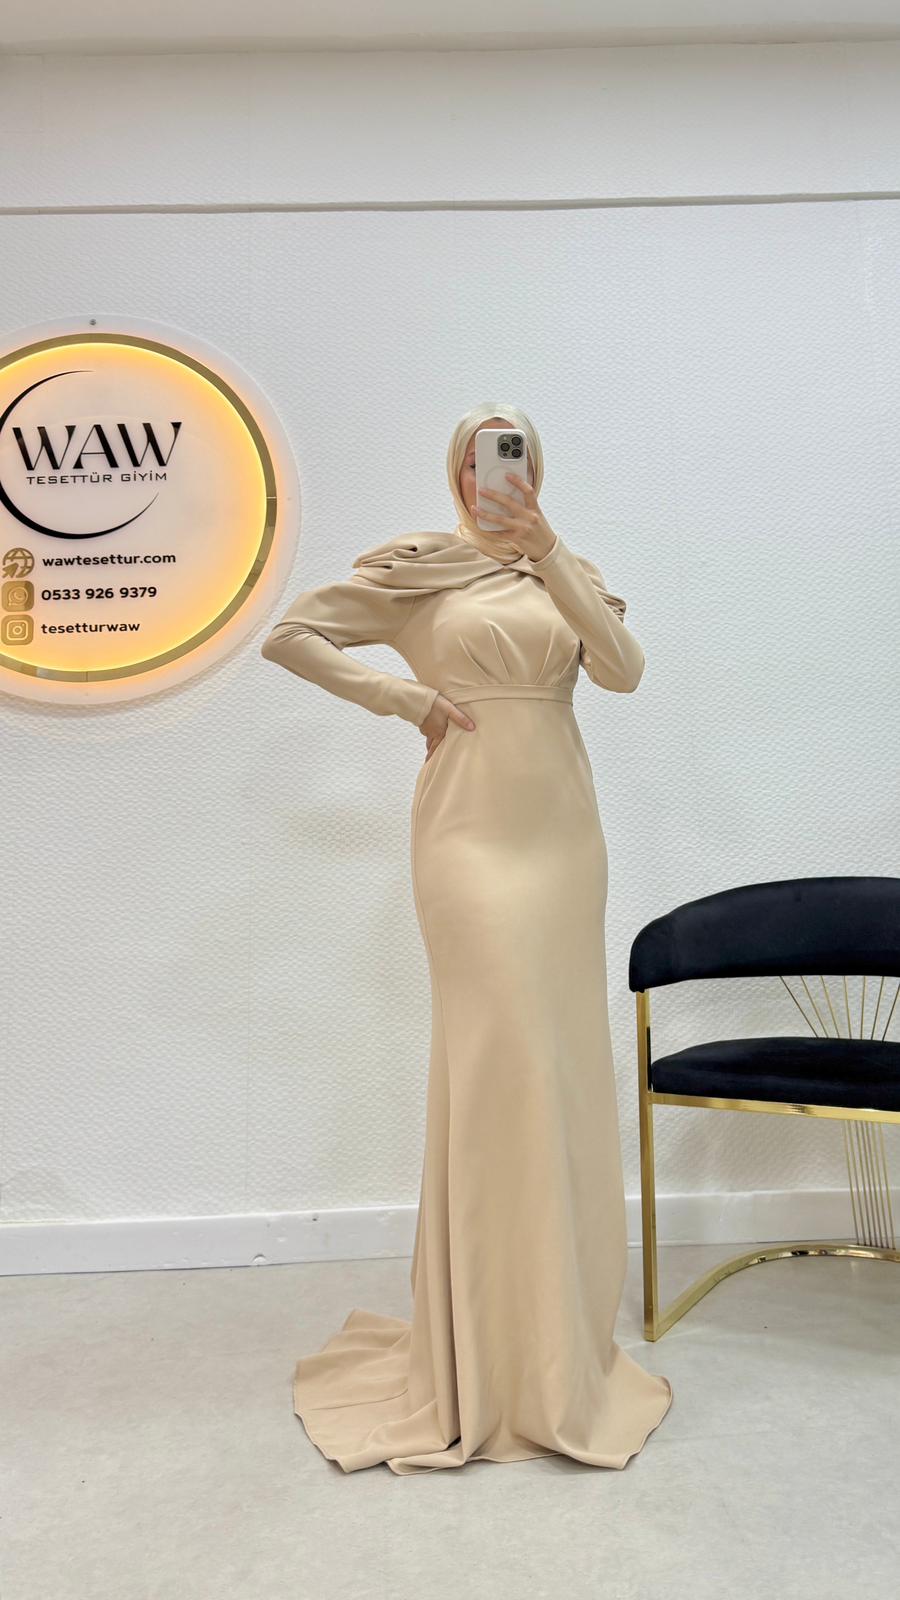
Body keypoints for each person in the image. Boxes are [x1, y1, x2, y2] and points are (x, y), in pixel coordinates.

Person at [260, 402, 673, 1474]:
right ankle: (481, 1350)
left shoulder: (565, 571)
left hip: (563, 842)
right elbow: (291, 635)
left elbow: (623, 671)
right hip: (468, 837)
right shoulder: (420, 572)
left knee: (558, 1068)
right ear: (459, 472)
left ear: (537, 469)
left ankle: (555, 1349)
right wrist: (403, 700)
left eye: (518, 456)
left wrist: (550, 551)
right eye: (487, 458)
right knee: (498, 1066)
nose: (502, 474)